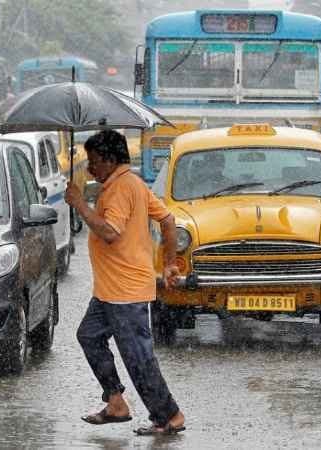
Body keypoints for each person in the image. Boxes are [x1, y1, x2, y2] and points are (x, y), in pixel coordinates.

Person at [64, 130, 186, 436]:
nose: (90, 169)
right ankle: (116, 402)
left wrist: (80, 204)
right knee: (89, 337)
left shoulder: (120, 188)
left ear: (109, 159)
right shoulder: (132, 183)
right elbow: (169, 220)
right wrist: (169, 263)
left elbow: (110, 232)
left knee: (138, 357)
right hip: (109, 292)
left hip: (125, 292)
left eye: (93, 162)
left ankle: (168, 415)